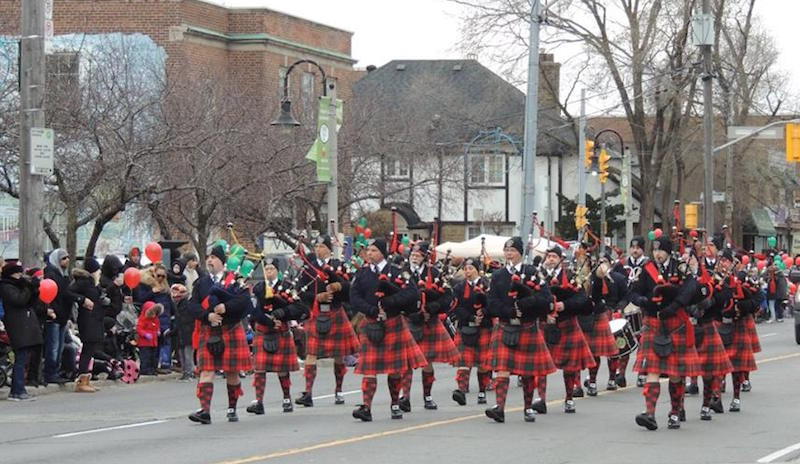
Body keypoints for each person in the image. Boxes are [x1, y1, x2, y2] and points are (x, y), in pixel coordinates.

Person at [349, 239, 426, 421]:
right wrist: (371, 310)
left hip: (392, 322)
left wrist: (389, 303)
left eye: (374, 250)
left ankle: (394, 404)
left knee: (395, 369)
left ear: (382, 252)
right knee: (369, 369)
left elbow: (411, 293)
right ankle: (366, 407)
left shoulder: (397, 272)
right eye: (368, 250)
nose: (369, 253)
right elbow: (354, 297)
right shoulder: (362, 273)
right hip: (371, 322)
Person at [631, 236, 701, 430]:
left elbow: (690, 290)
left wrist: (675, 305)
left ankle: (675, 413)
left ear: (668, 251)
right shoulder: (647, 269)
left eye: (660, 250)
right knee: (652, 371)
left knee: (675, 374)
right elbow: (634, 292)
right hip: (653, 322)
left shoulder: (680, 267)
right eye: (654, 251)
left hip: (675, 322)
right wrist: (644, 301)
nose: (657, 254)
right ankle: (650, 414)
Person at [485, 237, 557, 423]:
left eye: (513, 250)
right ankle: (499, 408)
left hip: (527, 325)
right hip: (505, 324)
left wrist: (527, 303)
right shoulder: (498, 275)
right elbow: (491, 303)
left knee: (527, 372)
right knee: (502, 369)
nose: (509, 254)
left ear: (520, 252)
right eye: (506, 250)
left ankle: (527, 408)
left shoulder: (532, 272)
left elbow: (546, 300)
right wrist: (507, 310)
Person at [187, 243, 253, 424]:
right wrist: (207, 315)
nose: (209, 260)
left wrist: (226, 307)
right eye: (208, 257)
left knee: (232, 373)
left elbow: (245, 302)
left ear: (223, 263)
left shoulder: (235, 279)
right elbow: (191, 306)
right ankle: (205, 411)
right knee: (206, 371)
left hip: (230, 328)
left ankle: (232, 409)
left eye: (214, 257)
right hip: (209, 330)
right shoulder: (202, 283)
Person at [294, 235, 360, 408]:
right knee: (311, 354)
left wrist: (339, 287)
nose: (318, 249)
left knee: (339, 355)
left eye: (322, 246)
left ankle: (338, 391)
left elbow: (349, 288)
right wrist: (317, 296)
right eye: (316, 246)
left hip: (335, 311)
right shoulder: (309, 268)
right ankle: (308, 393)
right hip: (317, 313)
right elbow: (300, 292)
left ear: (330, 249)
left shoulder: (338, 266)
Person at [399, 241, 457, 412]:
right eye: (413, 253)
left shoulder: (435, 273)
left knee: (427, 361)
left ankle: (427, 396)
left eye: (418, 254)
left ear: (425, 256)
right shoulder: (402, 271)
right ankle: (405, 397)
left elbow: (447, 297)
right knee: (407, 362)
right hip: (408, 320)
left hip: (428, 321)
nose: (414, 256)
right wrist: (408, 309)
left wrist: (433, 308)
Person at [539, 245, 596, 414]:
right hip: (546, 325)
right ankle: (540, 399)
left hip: (567, 324)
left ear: (560, 260)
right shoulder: (539, 276)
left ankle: (569, 398)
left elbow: (582, 299)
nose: (550, 259)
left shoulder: (571, 277)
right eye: (548, 256)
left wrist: (564, 305)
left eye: (554, 257)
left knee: (570, 367)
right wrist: (544, 312)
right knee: (540, 365)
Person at [248, 267, 307, 415]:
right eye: (266, 268)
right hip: (263, 330)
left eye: (272, 268)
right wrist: (263, 321)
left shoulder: (287, 287)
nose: (268, 271)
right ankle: (259, 402)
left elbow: (299, 308)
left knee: (282, 369)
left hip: (281, 331)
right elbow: (254, 310)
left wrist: (283, 313)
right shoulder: (259, 288)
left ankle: (287, 399)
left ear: (277, 271)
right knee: (259, 369)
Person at [450, 257, 493, 406]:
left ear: (477, 270)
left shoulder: (487, 285)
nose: (468, 272)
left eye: (471, 268)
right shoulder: (459, 287)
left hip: (484, 327)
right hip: (465, 326)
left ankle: (482, 392)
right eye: (466, 269)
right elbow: (456, 307)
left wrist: (484, 313)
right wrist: (471, 317)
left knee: (482, 362)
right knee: (463, 360)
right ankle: (461, 390)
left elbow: (493, 303)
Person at [1, 262, 45, 401]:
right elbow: (19, 300)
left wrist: (34, 289)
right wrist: (27, 288)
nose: (20, 276)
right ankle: (17, 390)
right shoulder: (6, 286)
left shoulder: (18, 286)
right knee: (20, 358)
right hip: (16, 324)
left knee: (24, 358)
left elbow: (30, 302)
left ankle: (19, 389)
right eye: (18, 273)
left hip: (25, 324)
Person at [587, 253, 629, 393]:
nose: (601, 264)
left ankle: (612, 379)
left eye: (604, 261)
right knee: (594, 352)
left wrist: (619, 309)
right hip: (597, 315)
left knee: (613, 351)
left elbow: (625, 297)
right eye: (598, 262)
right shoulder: (592, 278)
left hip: (613, 313)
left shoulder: (618, 278)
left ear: (610, 263)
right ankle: (592, 382)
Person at [43, 249, 84, 385]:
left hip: (63, 316)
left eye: (67, 257)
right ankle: (50, 373)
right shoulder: (51, 274)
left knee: (60, 347)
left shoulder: (64, 275)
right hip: (54, 316)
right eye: (63, 258)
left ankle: (57, 370)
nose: (66, 260)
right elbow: (62, 293)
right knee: (53, 347)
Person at [611, 236, 648, 388]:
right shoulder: (621, 265)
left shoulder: (648, 265)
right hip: (625, 306)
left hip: (642, 306)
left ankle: (641, 373)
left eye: (638, 248)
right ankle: (621, 373)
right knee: (623, 339)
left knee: (642, 341)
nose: (634, 250)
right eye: (632, 247)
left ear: (642, 249)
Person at [70, 257, 110, 393]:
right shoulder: (83, 282)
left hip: (95, 318)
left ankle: (86, 378)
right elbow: (68, 292)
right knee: (87, 349)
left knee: (91, 349)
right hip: (88, 319)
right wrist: (82, 300)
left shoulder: (93, 283)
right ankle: (81, 380)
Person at [138, 264, 176, 373]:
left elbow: (170, 303)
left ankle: (162, 364)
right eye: (159, 275)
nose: (161, 278)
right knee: (150, 346)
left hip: (165, 317)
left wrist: (173, 315)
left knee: (163, 342)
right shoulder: (146, 284)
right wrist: (152, 292)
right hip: (152, 318)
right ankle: (148, 367)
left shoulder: (165, 288)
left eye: (163, 276)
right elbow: (141, 299)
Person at [172, 283, 195, 381]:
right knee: (182, 354)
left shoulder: (187, 306)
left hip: (187, 333)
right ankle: (185, 372)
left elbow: (186, 321)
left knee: (187, 354)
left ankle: (189, 373)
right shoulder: (178, 306)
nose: (176, 298)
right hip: (181, 333)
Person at [137, 301, 162, 376]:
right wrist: (145, 334)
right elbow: (139, 329)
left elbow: (157, 327)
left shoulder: (156, 319)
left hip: (153, 341)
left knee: (153, 356)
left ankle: (152, 368)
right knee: (145, 356)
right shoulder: (143, 319)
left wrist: (158, 331)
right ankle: (145, 369)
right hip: (145, 342)